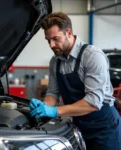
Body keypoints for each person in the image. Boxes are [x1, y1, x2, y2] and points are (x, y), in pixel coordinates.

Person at [30, 12, 120, 150]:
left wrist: (54, 111)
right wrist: (43, 106)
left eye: (55, 39)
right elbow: (53, 94)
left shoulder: (92, 56)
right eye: (48, 40)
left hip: (104, 129)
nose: (51, 45)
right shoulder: (55, 62)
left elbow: (93, 102)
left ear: (69, 33)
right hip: (78, 127)